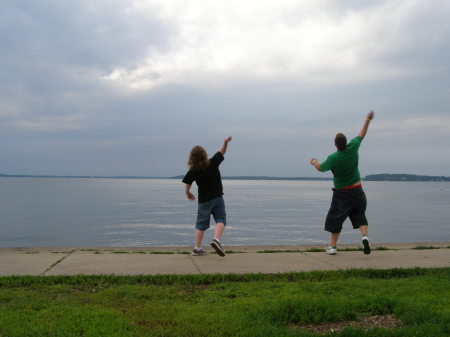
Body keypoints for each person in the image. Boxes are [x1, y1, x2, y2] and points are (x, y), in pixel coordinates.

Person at [310, 111, 375, 255]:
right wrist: (368, 119)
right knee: (360, 215)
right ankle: (364, 237)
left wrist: (314, 162)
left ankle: (332, 247)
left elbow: (320, 168)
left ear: (335, 144)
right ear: (346, 142)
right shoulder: (353, 147)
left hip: (342, 193)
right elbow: (362, 134)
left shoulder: (333, 158)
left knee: (336, 218)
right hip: (358, 189)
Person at [182, 136, 232, 257]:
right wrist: (225, 142)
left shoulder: (194, 170)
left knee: (201, 223)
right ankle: (216, 239)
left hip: (204, 200)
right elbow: (222, 151)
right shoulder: (213, 162)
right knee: (221, 219)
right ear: (204, 154)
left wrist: (187, 192)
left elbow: (188, 182)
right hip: (217, 198)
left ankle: (197, 248)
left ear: (192, 158)